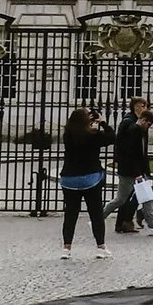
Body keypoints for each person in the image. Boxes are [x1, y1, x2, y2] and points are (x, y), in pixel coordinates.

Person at [56, 106, 113, 259]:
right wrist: (102, 122)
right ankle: (101, 247)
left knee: (70, 214)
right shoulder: (94, 135)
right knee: (96, 214)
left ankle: (66, 248)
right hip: (90, 178)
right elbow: (112, 137)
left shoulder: (68, 135)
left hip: (69, 178)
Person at [112, 98, 153, 235]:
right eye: (143, 105)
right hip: (130, 166)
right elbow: (123, 144)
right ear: (135, 107)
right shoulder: (129, 122)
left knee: (134, 194)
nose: (145, 108)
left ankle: (126, 221)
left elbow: (141, 148)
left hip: (138, 165)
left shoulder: (140, 122)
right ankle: (122, 222)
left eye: (146, 106)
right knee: (125, 196)